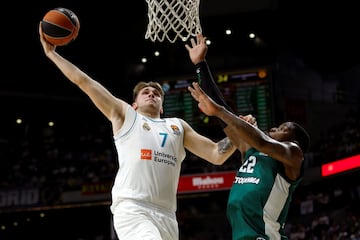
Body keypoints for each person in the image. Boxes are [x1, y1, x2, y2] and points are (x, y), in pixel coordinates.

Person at [38, 25, 238, 240]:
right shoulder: (125, 115)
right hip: (133, 208)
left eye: (156, 94)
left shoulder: (178, 126)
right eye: (146, 92)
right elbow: (84, 82)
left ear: (162, 107)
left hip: (167, 215)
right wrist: (52, 55)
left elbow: (217, 154)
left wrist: (241, 131)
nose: (151, 94)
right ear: (134, 104)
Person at [186, 33, 311, 240]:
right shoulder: (251, 150)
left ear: (293, 140)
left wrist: (218, 111)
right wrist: (200, 64)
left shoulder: (293, 155)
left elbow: (261, 140)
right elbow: (224, 112)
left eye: (283, 127)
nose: (274, 127)